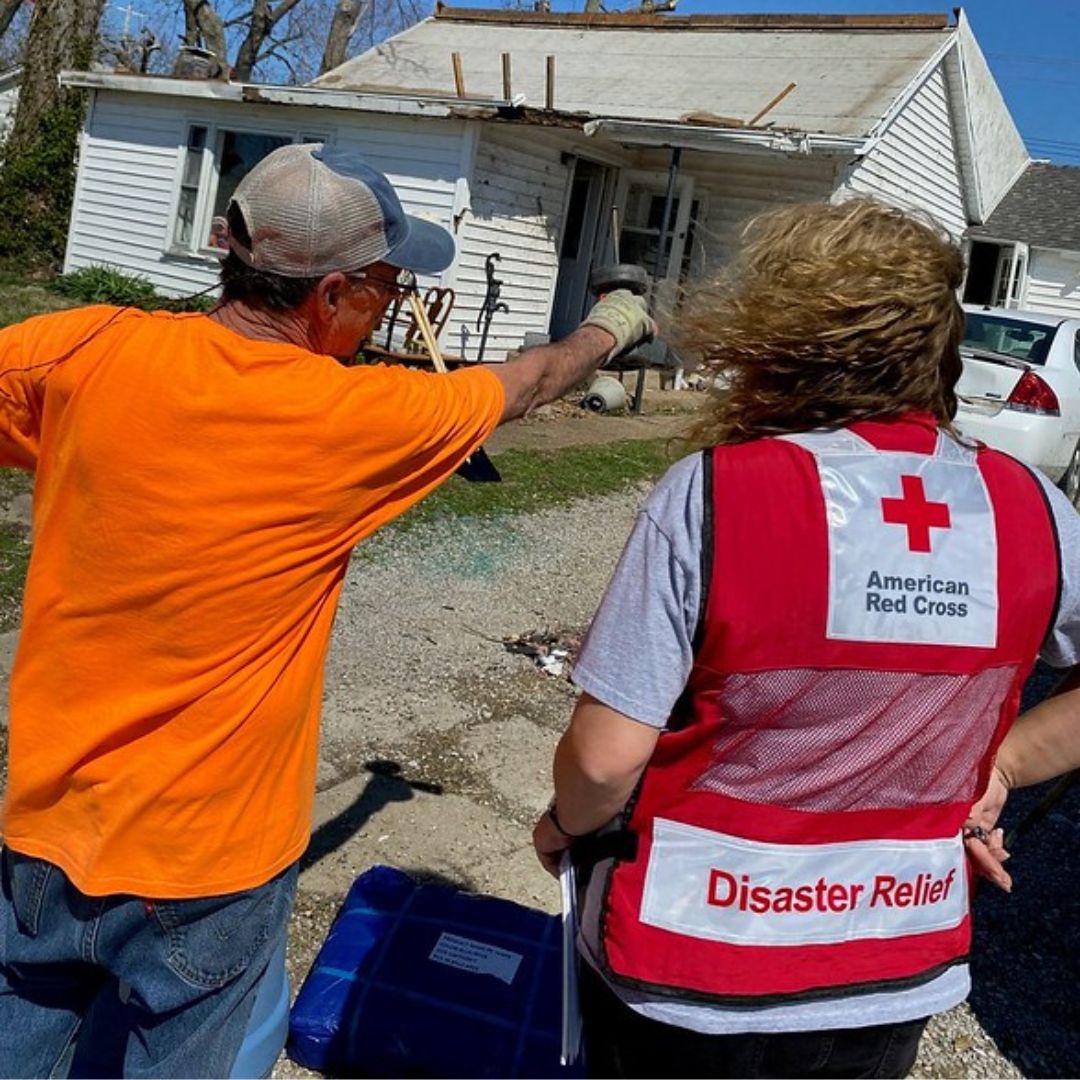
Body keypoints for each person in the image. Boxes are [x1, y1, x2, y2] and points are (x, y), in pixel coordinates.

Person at [0, 142, 654, 1079]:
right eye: (387, 287)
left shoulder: (90, 349)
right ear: (333, 293)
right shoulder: (362, 420)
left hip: (44, 836)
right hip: (208, 866)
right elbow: (536, 380)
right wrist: (611, 326)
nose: (388, 307)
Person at [531, 197, 1080, 1079]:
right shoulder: (1036, 511)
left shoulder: (714, 494)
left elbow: (603, 763)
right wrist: (1002, 766)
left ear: (781, 340)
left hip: (689, 956)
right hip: (887, 956)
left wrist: (563, 826)